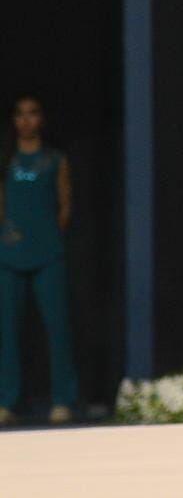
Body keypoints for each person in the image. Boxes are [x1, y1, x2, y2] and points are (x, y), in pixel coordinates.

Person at [0, 95, 78, 425]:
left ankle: (63, 399)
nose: (26, 120)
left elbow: (65, 204)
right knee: (7, 332)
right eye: (20, 114)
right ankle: (7, 400)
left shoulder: (54, 159)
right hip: (10, 253)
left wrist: (49, 234)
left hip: (47, 252)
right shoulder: (7, 159)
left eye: (32, 113)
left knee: (57, 328)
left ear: (42, 119)